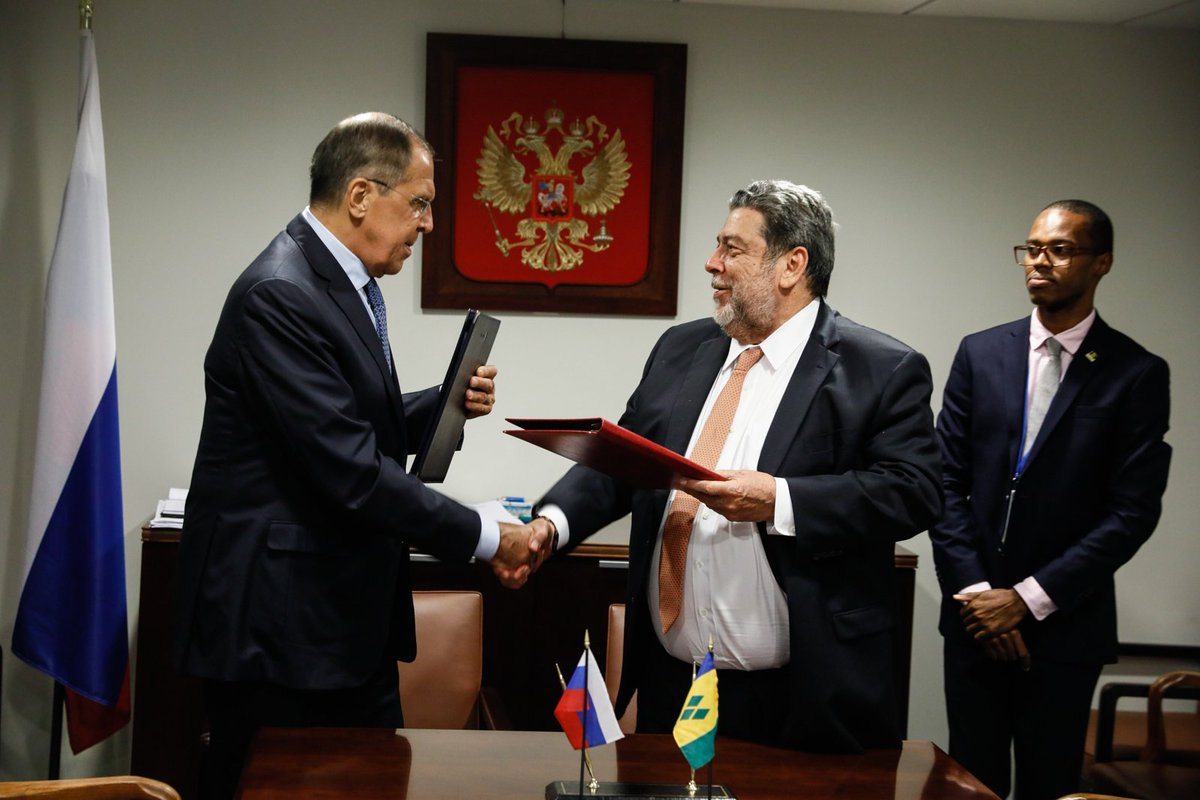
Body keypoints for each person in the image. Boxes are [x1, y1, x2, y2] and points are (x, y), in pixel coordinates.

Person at [172, 112, 548, 800]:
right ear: (360, 196)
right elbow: (348, 470)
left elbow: (343, 421)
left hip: (335, 626)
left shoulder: (336, 283)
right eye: (421, 203)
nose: (429, 224)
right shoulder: (280, 293)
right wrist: (490, 535)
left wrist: (442, 404)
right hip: (281, 636)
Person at [531, 180, 942, 751]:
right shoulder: (680, 348)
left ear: (792, 265)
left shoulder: (881, 368)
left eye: (732, 248)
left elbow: (914, 490)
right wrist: (550, 524)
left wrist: (779, 500)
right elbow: (624, 460)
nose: (712, 262)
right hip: (671, 683)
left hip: (805, 695)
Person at [930, 199, 1171, 800]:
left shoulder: (1136, 372)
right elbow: (944, 482)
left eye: (1060, 250)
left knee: (1051, 786)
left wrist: (1026, 601)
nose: (1040, 261)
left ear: (1102, 262)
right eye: (1032, 249)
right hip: (974, 620)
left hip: (1065, 628)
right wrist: (981, 598)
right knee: (970, 786)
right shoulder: (981, 353)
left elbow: (1132, 512)